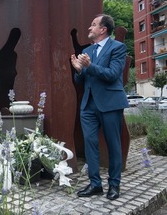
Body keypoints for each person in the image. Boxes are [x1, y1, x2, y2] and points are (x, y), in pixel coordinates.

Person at [71, 14, 128, 200]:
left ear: (103, 29)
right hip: (88, 105)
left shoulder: (118, 47)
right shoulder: (88, 50)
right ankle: (95, 184)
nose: (89, 28)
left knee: (113, 145)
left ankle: (114, 185)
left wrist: (89, 65)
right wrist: (79, 70)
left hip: (110, 104)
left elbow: (112, 74)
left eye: (93, 24)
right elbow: (81, 80)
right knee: (90, 145)